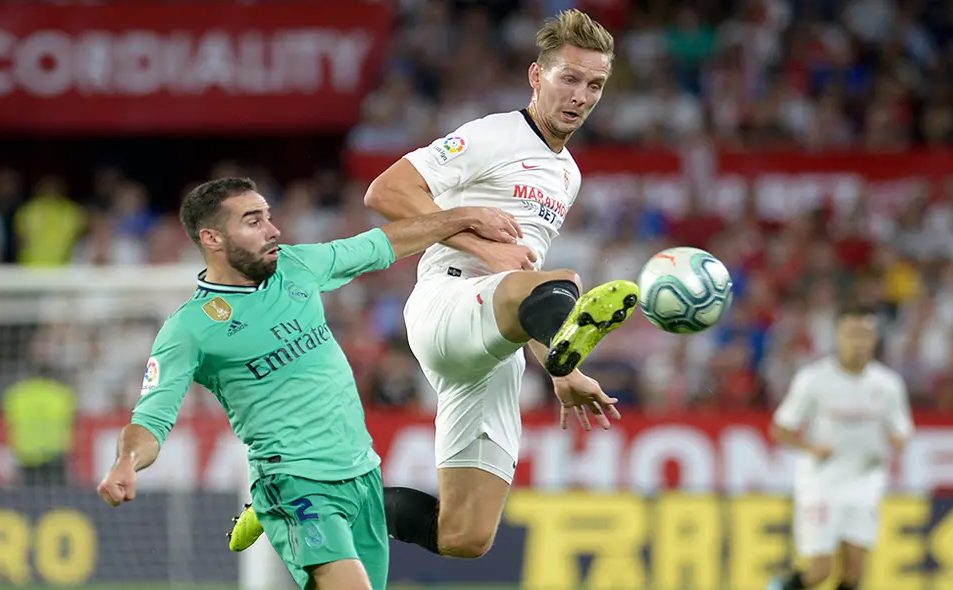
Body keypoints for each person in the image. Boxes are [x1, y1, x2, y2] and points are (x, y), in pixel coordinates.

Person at [229, 8, 640, 559]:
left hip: (498, 346)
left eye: (595, 84)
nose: (581, 95)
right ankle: (566, 351)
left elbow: (519, 281)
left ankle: (301, 495)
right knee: (560, 281)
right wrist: (476, 234)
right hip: (447, 304)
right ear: (537, 76)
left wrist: (555, 368)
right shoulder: (493, 135)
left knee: (464, 536)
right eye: (569, 78)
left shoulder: (568, 172)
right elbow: (385, 192)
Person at [96, 177, 522, 590]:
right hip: (295, 482)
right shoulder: (190, 328)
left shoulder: (296, 267)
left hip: (362, 475)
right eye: (252, 220)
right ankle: (268, 506)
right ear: (212, 239)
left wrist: (464, 216)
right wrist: (126, 462)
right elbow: (151, 419)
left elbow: (386, 242)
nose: (272, 229)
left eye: (267, 216)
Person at [765, 305, 914, 590]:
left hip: (865, 482)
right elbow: (780, 430)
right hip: (822, 483)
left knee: (854, 572)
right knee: (820, 570)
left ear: (874, 339)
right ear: (838, 336)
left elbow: (901, 430)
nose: (858, 342)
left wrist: (897, 441)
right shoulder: (814, 379)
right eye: (851, 334)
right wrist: (810, 447)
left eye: (864, 335)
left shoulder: (888, 384)